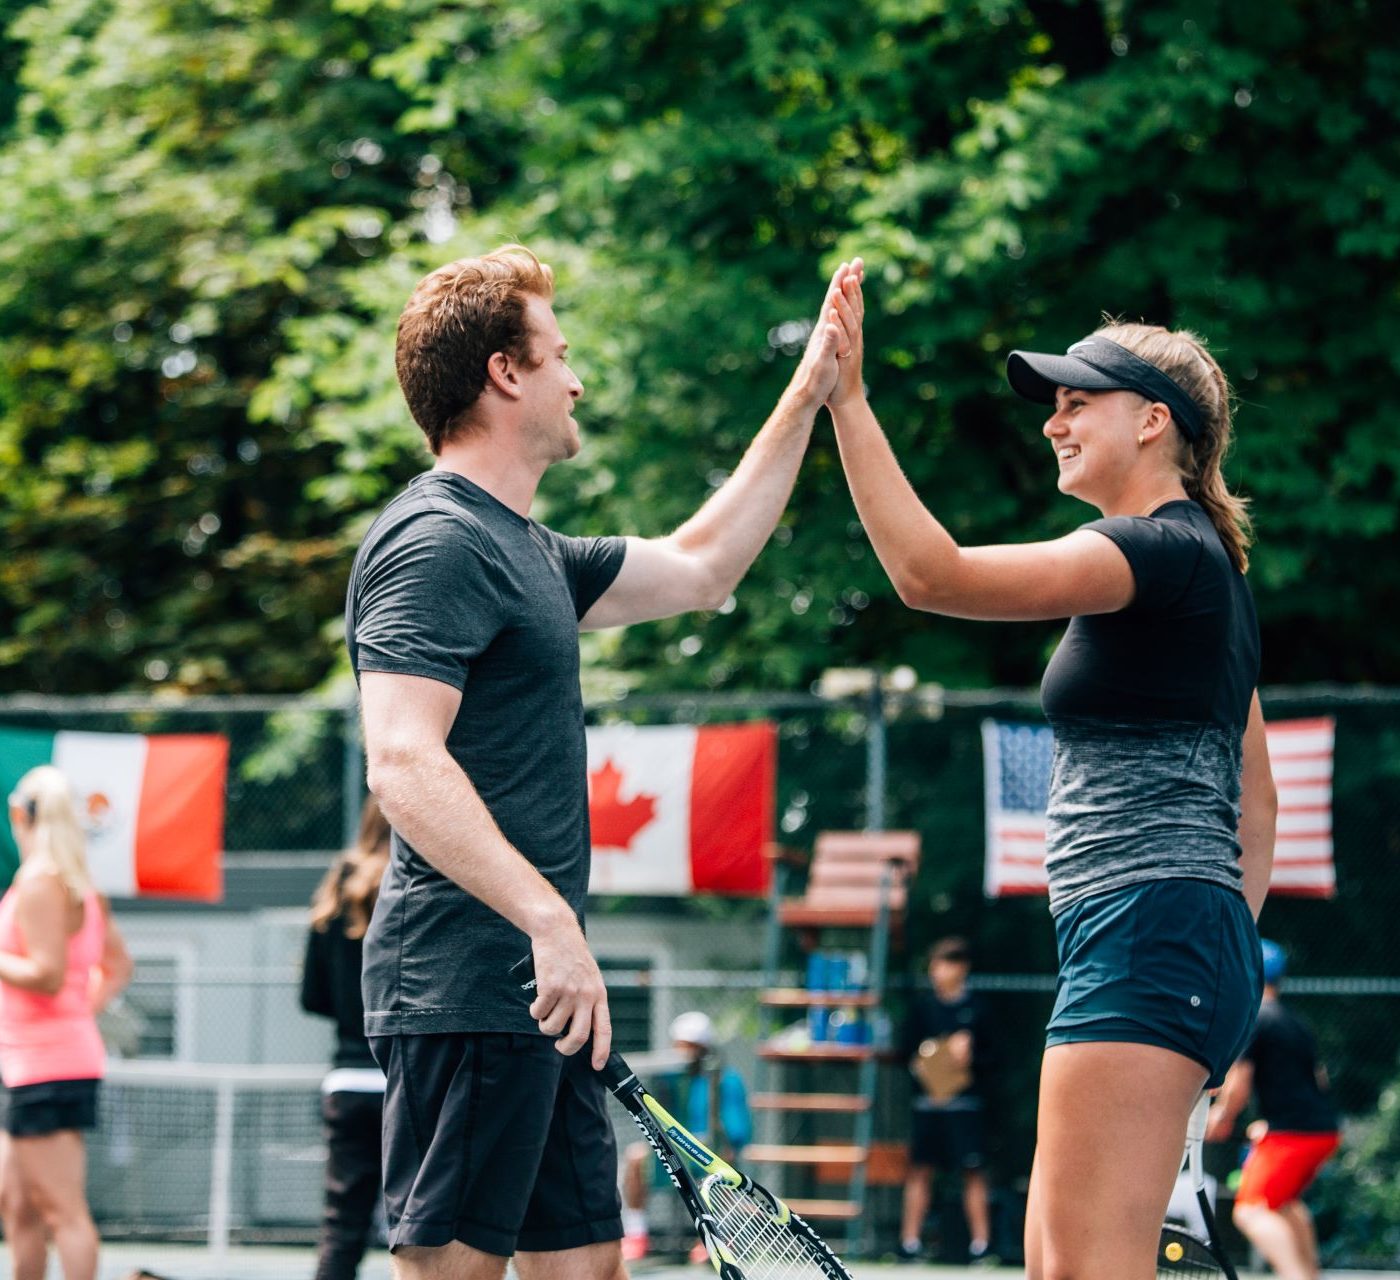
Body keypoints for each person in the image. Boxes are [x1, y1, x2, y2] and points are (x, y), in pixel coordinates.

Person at [348, 244, 852, 1280]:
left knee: (586, 1266)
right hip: (466, 985)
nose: (576, 379)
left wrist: (808, 395)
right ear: (505, 372)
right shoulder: (437, 539)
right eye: (560, 354)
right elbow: (400, 760)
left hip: (541, 994)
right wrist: (546, 919)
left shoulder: (530, 549)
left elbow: (707, 565)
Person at [823, 267, 1276, 1280]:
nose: (1052, 423)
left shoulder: (1156, 553)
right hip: (1157, 935)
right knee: (1057, 1264)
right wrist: (1218, 957)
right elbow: (1255, 792)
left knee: (1075, 1270)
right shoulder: (1201, 570)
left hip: (1147, 932)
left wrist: (845, 401)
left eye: (1078, 403)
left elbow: (926, 575)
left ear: (1151, 421)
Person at [0, 765, 133, 1280]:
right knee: (18, 1204)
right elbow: (116, 966)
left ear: (20, 814)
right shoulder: (76, 885)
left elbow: (47, 975)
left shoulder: (41, 884)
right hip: (33, 1063)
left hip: (44, 1066)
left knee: (63, 1210)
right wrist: (81, 1013)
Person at [1206, 939, 1339, 1280]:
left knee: (1251, 1210)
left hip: (1293, 1132)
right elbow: (1319, 1080)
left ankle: (1296, 1276)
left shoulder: (1255, 1017)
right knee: (1283, 1202)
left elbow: (1240, 1080)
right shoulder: (1295, 1022)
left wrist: (1222, 1116)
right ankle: (1309, 1274)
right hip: (1321, 1128)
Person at [301, 794, 393, 1280]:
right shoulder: (419, 885)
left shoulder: (336, 891)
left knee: (343, 1224)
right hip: (409, 1080)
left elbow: (312, 996)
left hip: (348, 1082)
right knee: (421, 1222)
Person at [619, 1011, 753, 1262]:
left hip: (708, 1156)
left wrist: (722, 1149)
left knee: (721, 1165)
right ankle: (636, 1235)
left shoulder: (727, 1079)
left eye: (690, 1046)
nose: (683, 1051)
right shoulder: (668, 1078)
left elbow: (737, 1130)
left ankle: (717, 1238)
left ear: (703, 1048)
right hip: (673, 1153)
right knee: (635, 1157)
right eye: (679, 1044)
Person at [896, 937, 995, 1264]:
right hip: (928, 1106)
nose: (939, 972)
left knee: (973, 1172)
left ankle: (981, 1245)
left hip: (964, 1107)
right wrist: (929, 1056)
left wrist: (968, 1057)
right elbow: (903, 1051)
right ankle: (909, 1243)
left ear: (962, 967)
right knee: (920, 1171)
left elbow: (995, 1059)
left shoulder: (978, 1010)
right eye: (936, 965)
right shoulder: (923, 1009)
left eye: (947, 964)